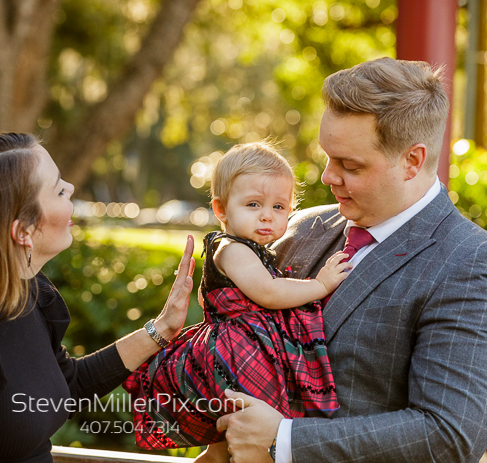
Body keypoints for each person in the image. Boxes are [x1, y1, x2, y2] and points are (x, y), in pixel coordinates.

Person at [216, 58, 487, 463]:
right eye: (327, 156)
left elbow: (448, 437)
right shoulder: (299, 228)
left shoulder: (475, 264)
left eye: (349, 165)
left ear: (412, 161)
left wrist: (284, 441)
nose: (328, 177)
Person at [0, 133, 196, 463]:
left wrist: (162, 329)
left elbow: (68, 388)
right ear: (22, 230)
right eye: (58, 189)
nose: (71, 189)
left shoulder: (25, 299)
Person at [123, 142, 351, 461]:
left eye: (279, 207)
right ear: (221, 209)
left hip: (239, 354)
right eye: (254, 204)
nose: (266, 217)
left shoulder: (247, 247)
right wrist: (320, 284)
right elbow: (268, 293)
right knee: (255, 439)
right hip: (238, 358)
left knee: (222, 447)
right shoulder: (233, 249)